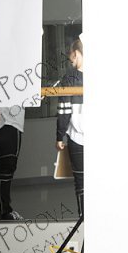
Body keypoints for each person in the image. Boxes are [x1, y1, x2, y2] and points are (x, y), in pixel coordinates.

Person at [56, 37, 84, 216]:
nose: (70, 59)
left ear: (76, 53)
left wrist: (59, 136)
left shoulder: (69, 78)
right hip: (77, 138)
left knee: (81, 182)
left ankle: (84, 219)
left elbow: (64, 110)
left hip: (76, 138)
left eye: (70, 55)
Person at [0, 105, 25, 221]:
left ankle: (3, 211)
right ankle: (3, 213)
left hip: (11, 120)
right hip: (6, 121)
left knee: (4, 167)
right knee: (6, 167)